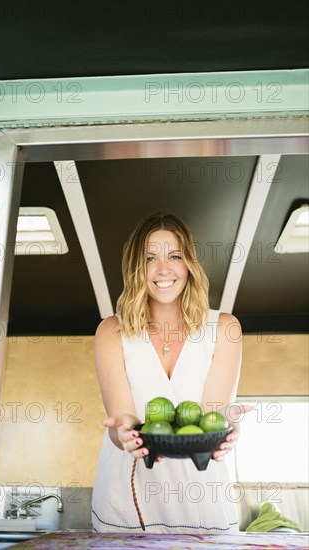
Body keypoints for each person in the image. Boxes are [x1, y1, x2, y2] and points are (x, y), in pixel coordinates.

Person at [91, 212, 250, 534]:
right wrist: (123, 434)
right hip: (127, 499)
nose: (163, 269)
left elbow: (212, 416)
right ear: (136, 268)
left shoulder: (224, 328)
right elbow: (120, 420)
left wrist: (228, 428)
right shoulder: (111, 331)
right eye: (150, 258)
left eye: (174, 256)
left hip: (202, 497)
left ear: (189, 263)